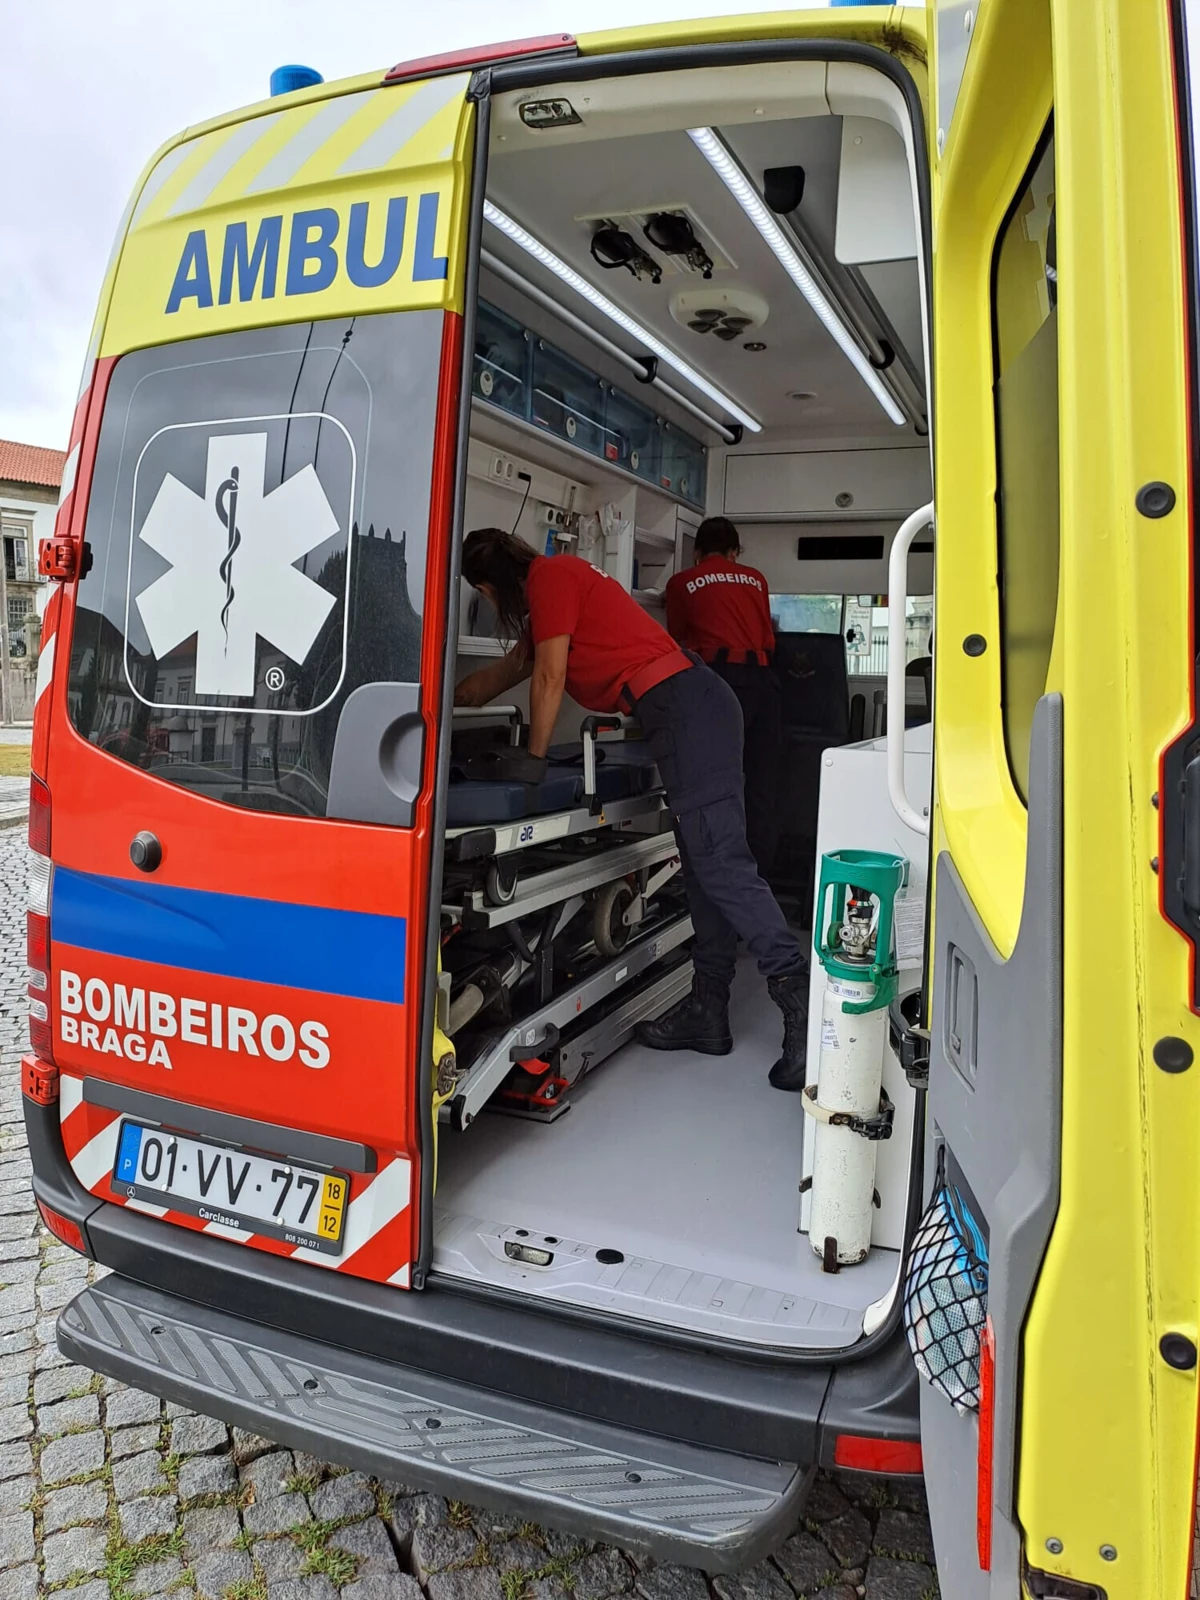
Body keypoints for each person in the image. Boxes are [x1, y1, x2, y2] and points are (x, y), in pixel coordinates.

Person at [454, 527, 808, 1091]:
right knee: (703, 872)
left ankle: (803, 1013)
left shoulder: (551, 578)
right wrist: (440, 700)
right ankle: (709, 1013)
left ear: (488, 588)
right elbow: (499, 678)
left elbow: (549, 678)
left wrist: (534, 762)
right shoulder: (557, 593)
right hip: (686, 710)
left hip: (689, 708)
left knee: (721, 863)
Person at [664, 516, 781, 875]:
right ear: (735, 552)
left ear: (697, 552)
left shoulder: (682, 582)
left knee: (713, 780)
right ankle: (759, 874)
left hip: (715, 681)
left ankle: (715, 868)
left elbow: (677, 641)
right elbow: (766, 640)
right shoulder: (756, 579)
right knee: (762, 779)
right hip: (763, 681)